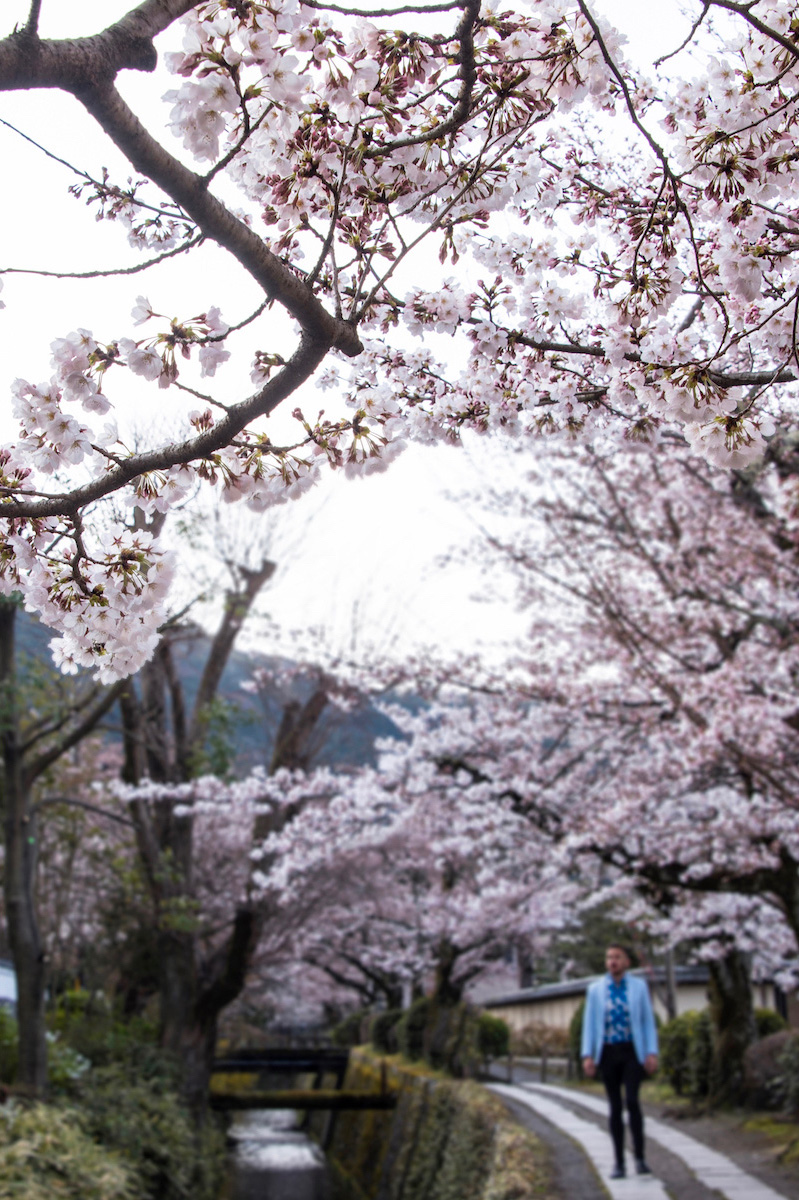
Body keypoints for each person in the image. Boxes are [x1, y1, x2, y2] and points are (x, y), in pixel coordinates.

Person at [581, 943, 659, 1180]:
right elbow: (590, 1023)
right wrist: (587, 1055)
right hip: (607, 1052)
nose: (612, 961)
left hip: (631, 1051)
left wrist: (651, 1052)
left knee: (633, 1101)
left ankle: (640, 1157)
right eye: (609, 957)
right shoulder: (595, 990)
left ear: (627, 962)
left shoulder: (638, 987)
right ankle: (619, 1162)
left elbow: (647, 1021)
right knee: (615, 1106)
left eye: (617, 957)